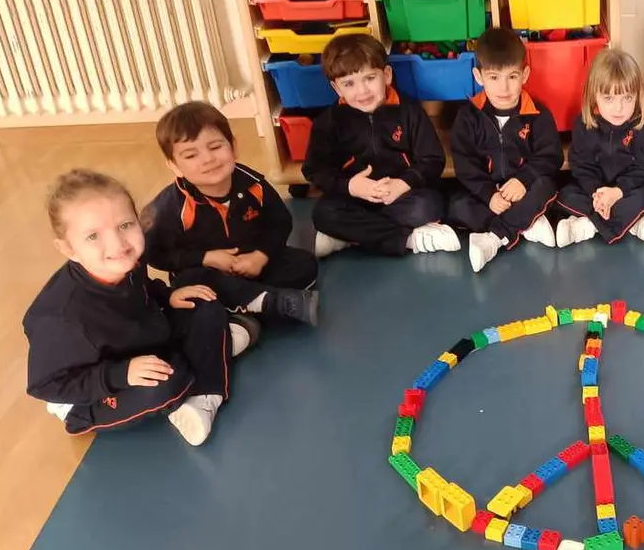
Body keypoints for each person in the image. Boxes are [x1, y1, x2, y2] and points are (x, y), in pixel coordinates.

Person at [24, 170, 236, 446]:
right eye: (92, 236)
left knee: (205, 306)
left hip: (138, 342)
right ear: (68, 249)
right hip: (91, 390)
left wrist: (167, 296)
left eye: (125, 225)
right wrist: (119, 374)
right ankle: (205, 365)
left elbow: (142, 287)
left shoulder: (126, 260)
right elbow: (46, 384)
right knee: (166, 385)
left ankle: (204, 394)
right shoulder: (63, 318)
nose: (118, 244)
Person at [143, 102, 318, 335]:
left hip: (252, 267)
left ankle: (247, 307)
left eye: (215, 147)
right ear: (175, 167)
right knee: (188, 285)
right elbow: (155, 254)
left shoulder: (254, 185)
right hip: (206, 273)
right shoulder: (169, 208)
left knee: (305, 264)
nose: (207, 159)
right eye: (191, 155)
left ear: (233, 147)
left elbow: (279, 223)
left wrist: (260, 256)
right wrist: (205, 258)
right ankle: (264, 303)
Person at [302, 34, 459, 257]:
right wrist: (351, 187)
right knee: (323, 214)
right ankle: (406, 240)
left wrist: (403, 183)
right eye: (349, 83)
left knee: (429, 206)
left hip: (401, 197)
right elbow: (315, 170)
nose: (362, 91)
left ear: (386, 75)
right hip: (354, 200)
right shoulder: (329, 121)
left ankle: (350, 237)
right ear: (337, 89)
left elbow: (432, 160)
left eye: (369, 78)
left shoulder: (409, 111)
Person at [448, 28, 562, 272]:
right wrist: (489, 195)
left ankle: (495, 237)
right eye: (493, 77)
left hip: (524, 190)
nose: (504, 88)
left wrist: (523, 181)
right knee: (456, 205)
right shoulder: (468, 116)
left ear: (525, 74)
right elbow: (465, 164)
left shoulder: (538, 114)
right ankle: (526, 224)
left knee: (547, 187)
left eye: (512, 76)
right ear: (478, 77)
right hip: (487, 194)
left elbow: (551, 156)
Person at [556, 49, 644, 246]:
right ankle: (630, 223)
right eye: (609, 99)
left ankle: (590, 226)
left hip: (629, 190)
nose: (618, 108)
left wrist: (618, 192)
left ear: (637, 95)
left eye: (627, 98)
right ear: (594, 95)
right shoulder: (583, 123)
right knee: (565, 194)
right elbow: (581, 165)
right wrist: (598, 194)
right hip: (597, 190)